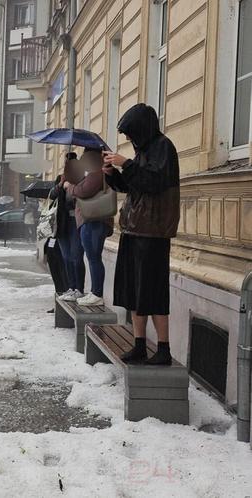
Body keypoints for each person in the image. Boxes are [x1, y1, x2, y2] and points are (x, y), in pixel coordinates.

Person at [103, 103, 180, 366]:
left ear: (141, 129)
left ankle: (163, 348)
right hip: (134, 229)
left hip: (153, 233)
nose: (128, 139)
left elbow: (154, 183)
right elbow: (134, 186)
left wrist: (127, 164)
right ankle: (138, 345)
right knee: (134, 291)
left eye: (130, 133)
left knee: (153, 292)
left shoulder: (163, 147)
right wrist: (113, 175)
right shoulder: (145, 151)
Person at [63, 149, 114, 306]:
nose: (83, 159)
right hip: (90, 220)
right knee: (92, 257)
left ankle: (97, 293)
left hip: (94, 220)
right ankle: (94, 292)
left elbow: (82, 191)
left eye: (86, 157)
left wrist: (69, 187)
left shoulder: (96, 173)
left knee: (93, 257)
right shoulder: (93, 172)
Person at [49, 153, 85, 302]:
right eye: (66, 164)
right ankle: (70, 287)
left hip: (76, 222)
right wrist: (60, 184)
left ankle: (79, 288)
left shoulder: (83, 179)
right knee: (66, 257)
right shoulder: (61, 179)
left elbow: (83, 196)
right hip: (63, 223)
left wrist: (72, 187)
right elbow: (52, 195)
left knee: (76, 256)